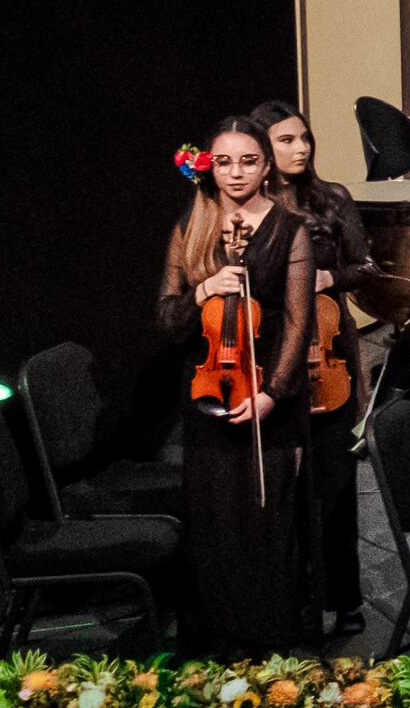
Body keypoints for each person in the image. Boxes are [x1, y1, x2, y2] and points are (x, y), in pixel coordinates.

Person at [157, 118, 321, 647]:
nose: (236, 172)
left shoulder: (290, 228)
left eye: (248, 161)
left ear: (266, 166)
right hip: (207, 388)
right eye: (224, 161)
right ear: (210, 164)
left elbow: (299, 320)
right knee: (214, 521)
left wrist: (274, 391)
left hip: (268, 390)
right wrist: (204, 289)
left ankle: (271, 640)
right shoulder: (192, 223)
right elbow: (167, 318)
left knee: (269, 519)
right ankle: (216, 640)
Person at [254, 100, 387, 643]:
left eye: (304, 138)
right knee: (283, 488)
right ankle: (291, 595)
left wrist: (327, 276)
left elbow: (366, 266)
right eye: (286, 140)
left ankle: (345, 597)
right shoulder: (250, 208)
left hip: (329, 350)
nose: (301, 148)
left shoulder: (331, 198)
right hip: (272, 353)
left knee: (333, 484)